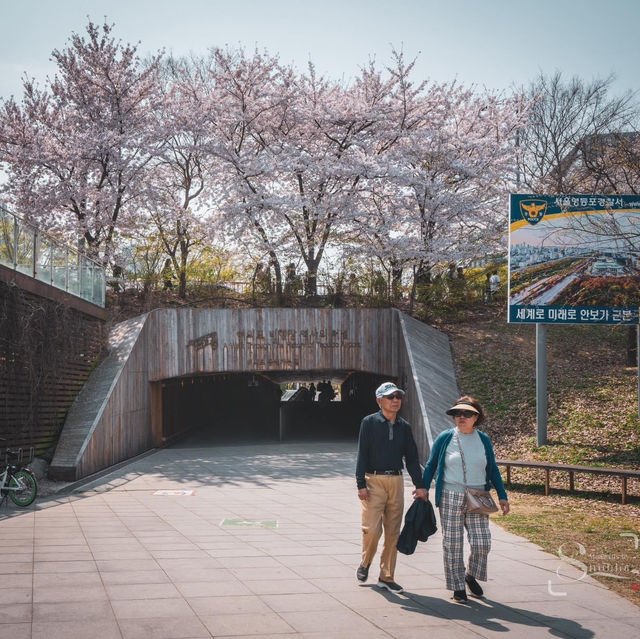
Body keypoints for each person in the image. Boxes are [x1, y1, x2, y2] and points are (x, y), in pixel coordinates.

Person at [423, 395, 509, 603]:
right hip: (450, 495)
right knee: (452, 543)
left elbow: (493, 469)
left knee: (482, 542)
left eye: (467, 413)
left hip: (478, 496)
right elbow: (431, 465)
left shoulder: (483, 439)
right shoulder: (445, 437)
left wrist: (503, 496)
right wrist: (423, 489)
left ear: (476, 417)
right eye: (457, 413)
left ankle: (470, 574)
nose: (462, 417)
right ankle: (457, 587)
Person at [355, 382, 428, 594]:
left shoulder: (404, 427)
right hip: (373, 481)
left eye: (398, 396)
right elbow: (362, 454)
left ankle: (386, 577)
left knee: (393, 533)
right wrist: (360, 484)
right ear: (380, 401)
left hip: (396, 481)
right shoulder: (368, 423)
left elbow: (412, 459)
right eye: (390, 397)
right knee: (372, 530)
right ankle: (366, 561)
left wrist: (420, 486)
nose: (395, 400)